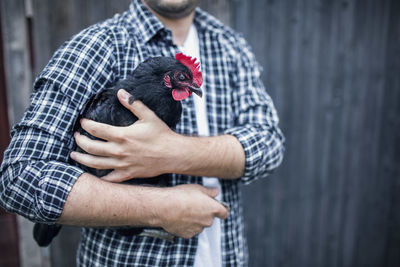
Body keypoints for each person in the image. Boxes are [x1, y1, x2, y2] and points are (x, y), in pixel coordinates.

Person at [0, 0, 285, 266]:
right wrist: (159, 207)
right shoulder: (97, 45)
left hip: (226, 256)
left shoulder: (232, 46)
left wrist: (173, 153)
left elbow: (270, 143)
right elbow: (20, 178)